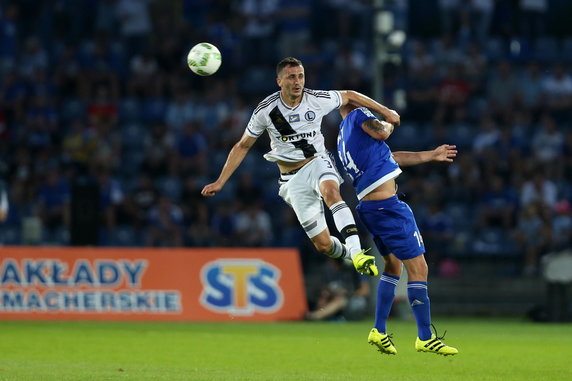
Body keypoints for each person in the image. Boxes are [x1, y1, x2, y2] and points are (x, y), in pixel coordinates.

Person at [202, 57, 400, 276]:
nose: (297, 82)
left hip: (317, 161)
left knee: (331, 192)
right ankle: (350, 255)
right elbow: (243, 145)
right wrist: (221, 181)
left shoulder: (315, 99)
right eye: (291, 77)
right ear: (279, 81)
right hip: (291, 179)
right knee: (323, 245)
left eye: (300, 76)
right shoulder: (267, 111)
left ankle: (357, 252)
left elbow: (349, 95)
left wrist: (386, 111)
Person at [337, 103, 459, 356]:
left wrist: (431, 155)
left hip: (369, 209)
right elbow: (383, 132)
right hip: (388, 208)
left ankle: (378, 330)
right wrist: (390, 119)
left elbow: (391, 158)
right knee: (420, 268)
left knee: (393, 266)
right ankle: (425, 337)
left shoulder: (345, 137)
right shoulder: (359, 116)